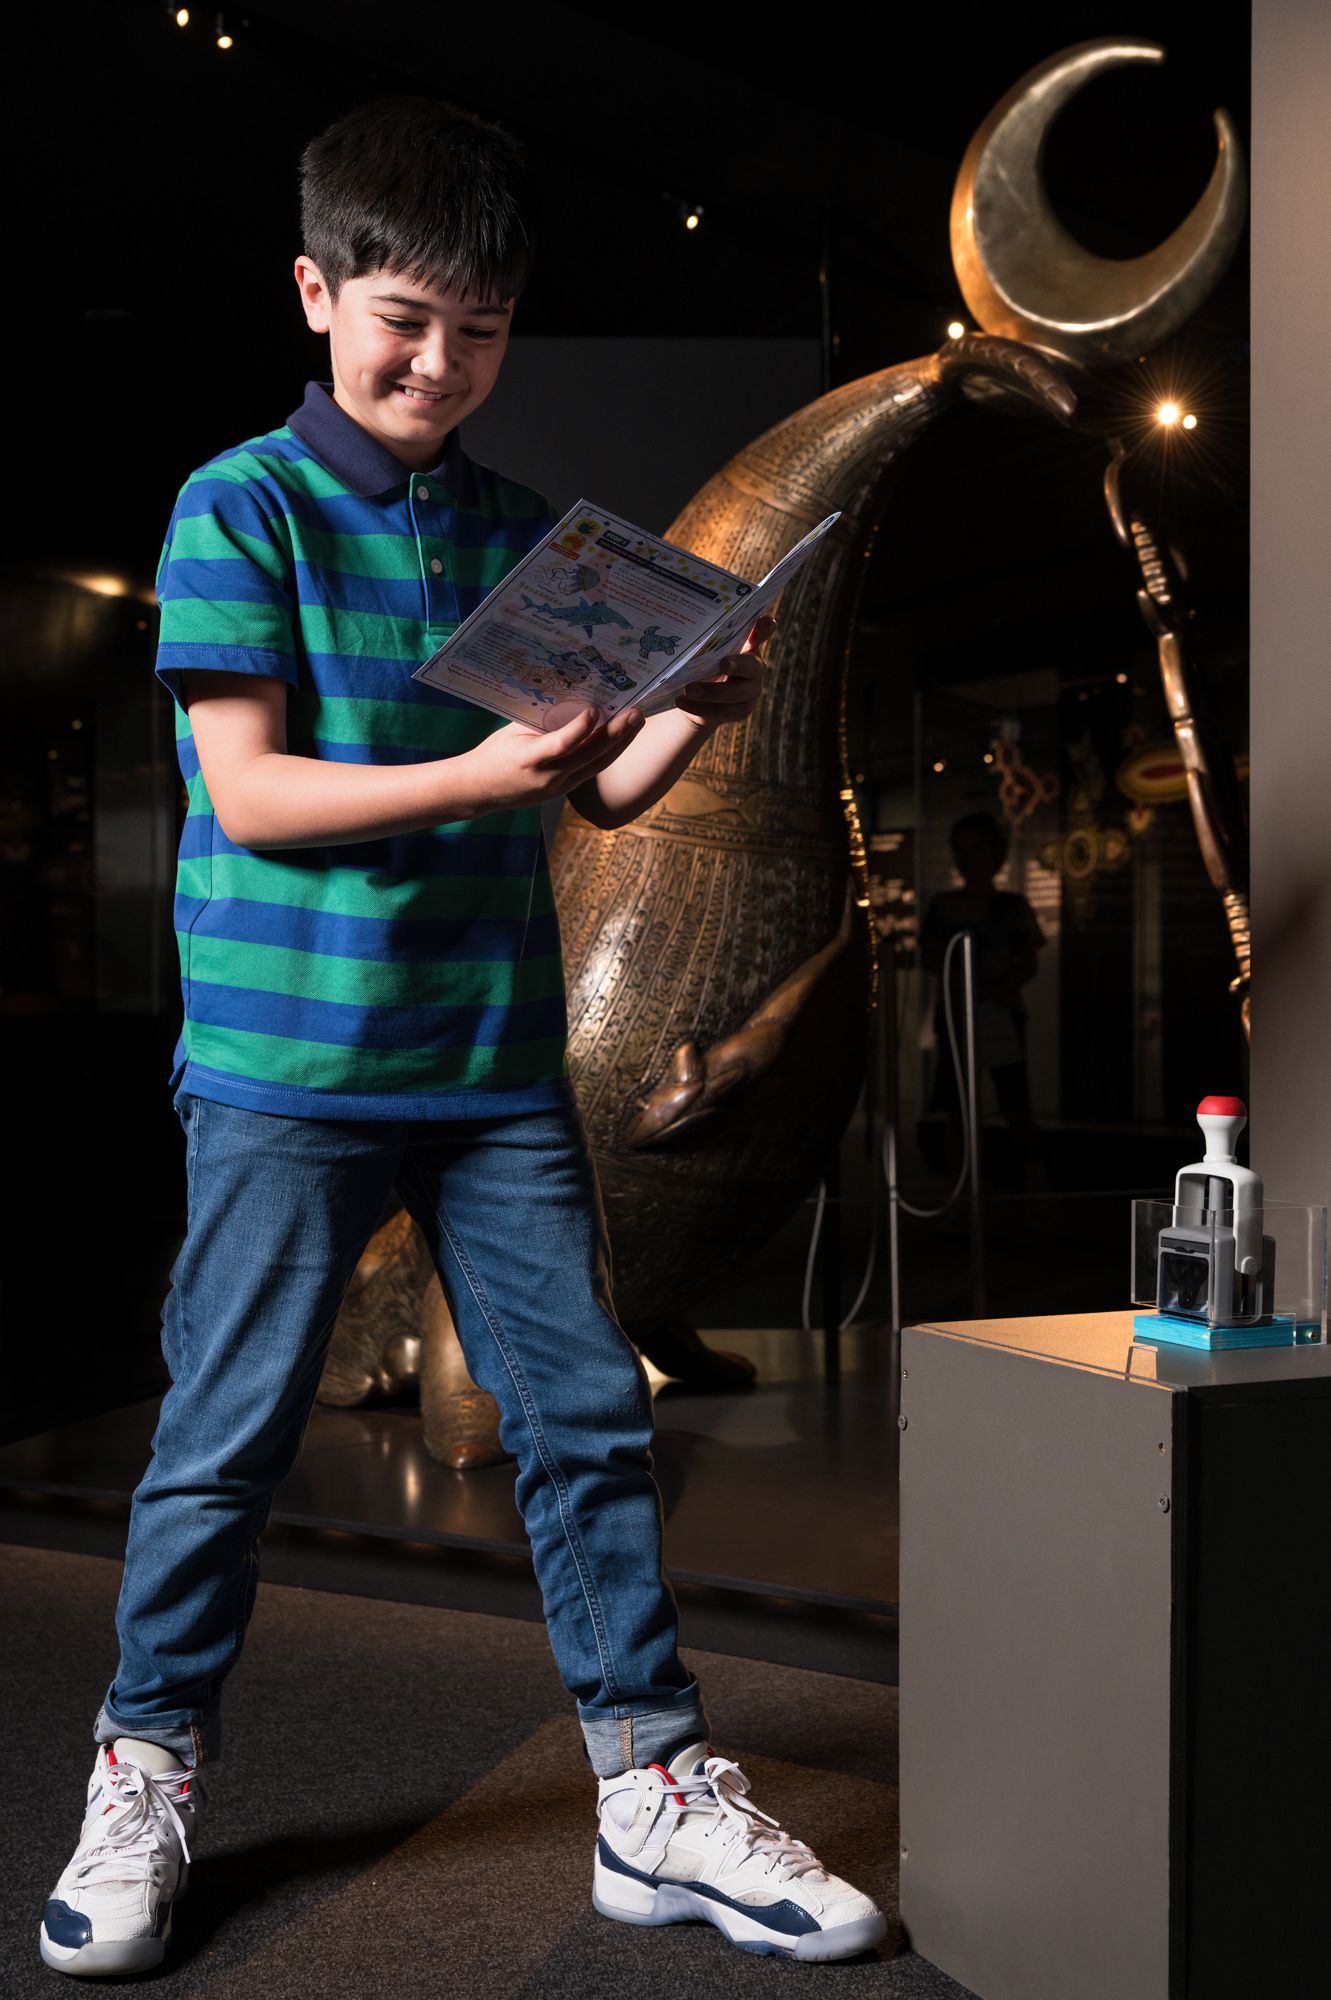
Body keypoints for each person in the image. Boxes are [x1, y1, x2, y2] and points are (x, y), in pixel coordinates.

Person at [38, 96, 886, 1977]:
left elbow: (596, 797)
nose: (437, 362)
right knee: (223, 1442)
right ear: (316, 292)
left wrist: (696, 698)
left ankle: (647, 1794)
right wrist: (478, 773)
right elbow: (250, 795)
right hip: (286, 1073)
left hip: (493, 1067)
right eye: (402, 320)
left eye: (479, 331)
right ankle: (145, 1766)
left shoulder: (522, 538)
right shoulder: (236, 505)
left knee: (584, 1422)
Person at [920, 811, 1048, 1200]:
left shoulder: (1013, 906)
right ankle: (960, 1192)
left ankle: (1037, 1186)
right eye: (960, 851)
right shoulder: (944, 906)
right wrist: (972, 986)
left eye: (975, 849)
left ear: (995, 852)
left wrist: (998, 989)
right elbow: (931, 957)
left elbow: (1029, 961)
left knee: (1015, 1102)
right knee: (957, 1108)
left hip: (1001, 1017)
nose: (967, 859)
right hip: (959, 1018)